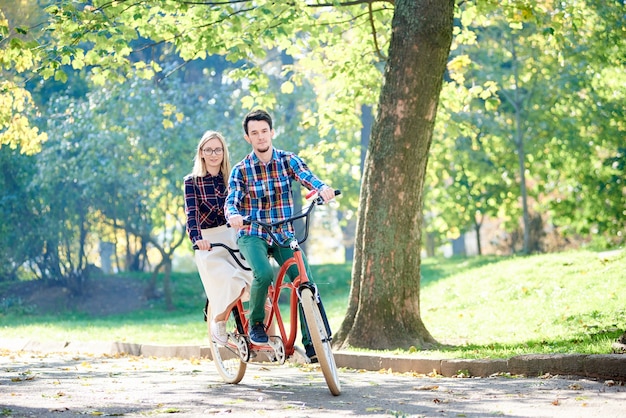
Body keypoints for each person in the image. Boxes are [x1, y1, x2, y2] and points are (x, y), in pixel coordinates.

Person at [225, 109, 335, 360]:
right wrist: (233, 215)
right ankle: (255, 325)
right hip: (253, 232)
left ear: (272, 132)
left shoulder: (288, 160)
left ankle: (313, 343)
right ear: (247, 138)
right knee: (263, 274)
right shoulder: (241, 170)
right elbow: (231, 200)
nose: (261, 137)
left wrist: (323, 188)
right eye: (255, 133)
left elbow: (308, 178)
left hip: (283, 232)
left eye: (264, 131)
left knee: (304, 279)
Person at [184, 130, 253, 346]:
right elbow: (191, 215)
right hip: (209, 242)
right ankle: (219, 320)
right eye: (208, 150)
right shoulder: (192, 182)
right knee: (234, 282)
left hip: (232, 236)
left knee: (258, 282)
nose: (214, 154)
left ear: (224, 152)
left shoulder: (232, 178)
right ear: (201, 153)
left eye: (218, 149)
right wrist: (197, 238)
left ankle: (259, 333)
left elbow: (243, 205)